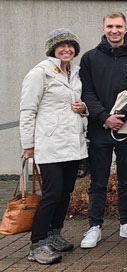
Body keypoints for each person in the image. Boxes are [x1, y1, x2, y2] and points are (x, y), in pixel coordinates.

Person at [80, 11, 127, 249]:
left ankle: (126, 223)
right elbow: (86, 92)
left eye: (118, 26)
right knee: (98, 180)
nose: (114, 30)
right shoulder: (90, 58)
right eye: (110, 26)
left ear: (126, 27)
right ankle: (94, 226)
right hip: (100, 129)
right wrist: (104, 117)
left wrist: (124, 116)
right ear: (103, 28)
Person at [20, 28, 86, 265]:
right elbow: (28, 110)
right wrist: (28, 145)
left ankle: (55, 233)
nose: (67, 49)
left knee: (65, 192)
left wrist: (84, 108)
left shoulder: (76, 72)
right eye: (61, 46)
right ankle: (37, 244)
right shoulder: (40, 73)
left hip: (72, 143)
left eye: (71, 46)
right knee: (51, 194)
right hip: (49, 144)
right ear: (52, 49)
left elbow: (78, 102)